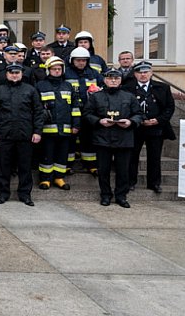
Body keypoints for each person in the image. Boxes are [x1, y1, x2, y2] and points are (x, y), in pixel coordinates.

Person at [84, 68, 142, 207]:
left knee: (123, 170)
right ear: (105, 80)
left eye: (116, 78)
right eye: (110, 78)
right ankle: (105, 195)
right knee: (103, 170)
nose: (113, 81)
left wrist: (131, 122)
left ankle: (121, 196)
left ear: (121, 80)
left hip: (124, 137)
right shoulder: (96, 97)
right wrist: (99, 121)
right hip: (103, 137)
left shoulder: (129, 96)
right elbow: (87, 113)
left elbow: (139, 114)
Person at [0, 63, 44, 206]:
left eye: (17, 73)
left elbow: (38, 112)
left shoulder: (30, 90)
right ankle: (3, 194)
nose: (14, 75)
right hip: (4, 134)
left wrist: (37, 132)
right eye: (12, 73)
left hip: (25, 134)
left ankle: (25, 195)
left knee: (25, 167)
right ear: (7, 74)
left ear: (21, 74)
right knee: (3, 166)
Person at [123, 61, 176, 193]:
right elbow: (124, 107)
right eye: (140, 72)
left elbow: (169, 107)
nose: (143, 75)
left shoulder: (162, 87)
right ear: (135, 74)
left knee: (154, 157)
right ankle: (130, 182)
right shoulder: (127, 88)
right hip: (136, 128)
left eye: (146, 72)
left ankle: (154, 183)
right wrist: (137, 120)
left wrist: (158, 120)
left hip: (156, 127)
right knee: (132, 156)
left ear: (151, 73)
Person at [35, 56, 80, 191]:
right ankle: (45, 178)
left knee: (62, 154)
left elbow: (75, 107)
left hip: (65, 129)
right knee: (46, 154)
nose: (56, 71)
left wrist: (76, 125)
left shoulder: (68, 86)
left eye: (59, 69)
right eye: (54, 69)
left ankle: (59, 178)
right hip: (47, 130)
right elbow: (36, 108)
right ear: (48, 70)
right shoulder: (40, 86)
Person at [65, 47, 104, 176]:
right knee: (70, 140)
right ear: (72, 60)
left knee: (89, 138)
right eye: (78, 60)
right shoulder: (66, 73)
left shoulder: (94, 73)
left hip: (90, 111)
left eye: (83, 60)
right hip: (71, 111)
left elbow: (103, 87)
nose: (81, 63)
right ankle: (67, 165)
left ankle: (91, 165)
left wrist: (98, 90)